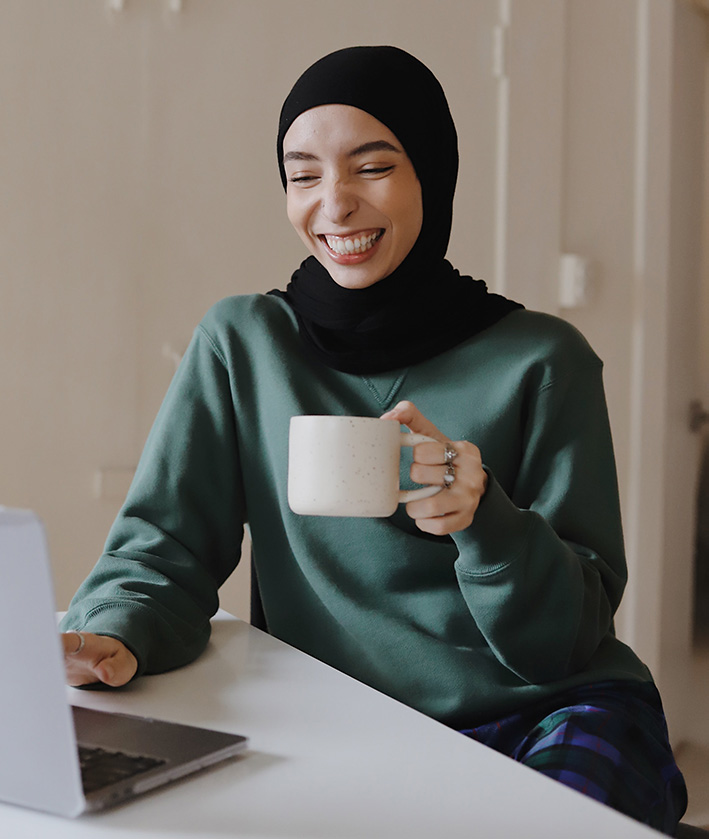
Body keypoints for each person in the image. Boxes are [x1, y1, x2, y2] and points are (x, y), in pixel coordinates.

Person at [60, 46, 688, 832]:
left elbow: (566, 642)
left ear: (432, 172)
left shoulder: (541, 359)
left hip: (545, 712)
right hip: (341, 723)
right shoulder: (242, 342)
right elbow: (162, 552)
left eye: (372, 166)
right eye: (304, 174)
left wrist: (481, 516)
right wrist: (111, 632)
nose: (335, 204)